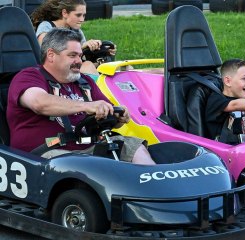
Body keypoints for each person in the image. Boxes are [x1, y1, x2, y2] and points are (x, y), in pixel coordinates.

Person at [7, 28, 155, 165]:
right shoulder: (29, 77)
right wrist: (87, 106)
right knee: (83, 166)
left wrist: (118, 118)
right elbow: (39, 103)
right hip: (45, 155)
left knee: (133, 146)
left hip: (87, 150)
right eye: (72, 55)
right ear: (51, 55)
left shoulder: (84, 82)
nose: (79, 61)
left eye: (79, 56)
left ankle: (153, 187)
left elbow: (107, 113)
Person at [30, 0, 116, 80]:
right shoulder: (46, 26)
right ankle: (98, 92)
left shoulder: (76, 31)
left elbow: (83, 56)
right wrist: (82, 46)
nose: (82, 19)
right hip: (54, 70)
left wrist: (101, 50)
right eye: (78, 15)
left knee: (118, 67)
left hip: (73, 66)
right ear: (65, 13)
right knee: (87, 65)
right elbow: (45, 52)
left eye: (84, 15)